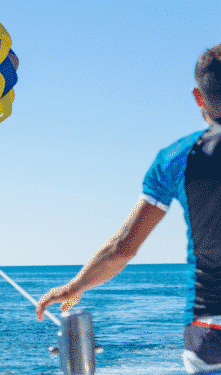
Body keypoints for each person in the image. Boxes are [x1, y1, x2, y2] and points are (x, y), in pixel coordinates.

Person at [36, 45, 221, 374]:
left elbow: (121, 248)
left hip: (209, 330)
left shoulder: (176, 158)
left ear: (198, 97)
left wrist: (76, 285)